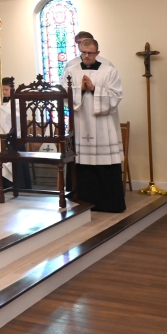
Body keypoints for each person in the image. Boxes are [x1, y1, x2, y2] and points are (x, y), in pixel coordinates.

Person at [65, 38, 125, 212]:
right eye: (83, 52)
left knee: (104, 164)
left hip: (103, 126)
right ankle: (79, 201)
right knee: (80, 163)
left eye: (90, 53)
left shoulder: (109, 71)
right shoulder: (70, 71)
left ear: (97, 53)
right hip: (80, 123)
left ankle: (108, 203)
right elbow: (63, 96)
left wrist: (94, 89)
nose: (86, 56)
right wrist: (80, 89)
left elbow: (116, 96)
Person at [0, 77, 31, 189]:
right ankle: (2, 184)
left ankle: (19, 184)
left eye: (6, 89)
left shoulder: (17, 102)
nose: (4, 92)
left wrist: (4, 111)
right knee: (0, 155)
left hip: (13, 137)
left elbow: (18, 118)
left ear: (12, 88)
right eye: (2, 89)